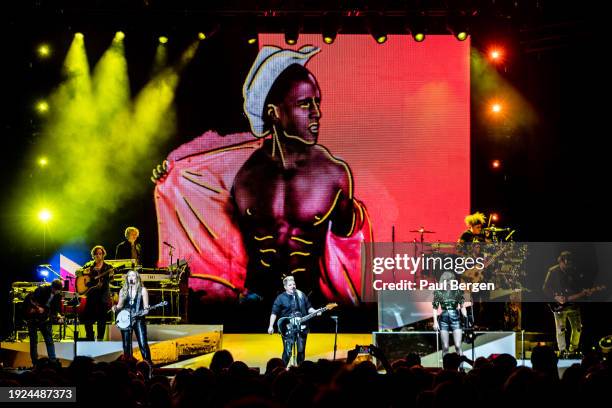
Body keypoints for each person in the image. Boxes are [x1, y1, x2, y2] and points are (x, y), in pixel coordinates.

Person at [152, 45, 371, 305]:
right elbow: (202, 164)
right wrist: (172, 174)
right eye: (304, 104)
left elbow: (349, 244)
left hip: (311, 300)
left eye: (317, 103)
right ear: (273, 113)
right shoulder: (242, 173)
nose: (317, 113)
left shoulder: (333, 174)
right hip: (252, 300)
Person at [267, 276, 319, 366]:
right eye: (290, 285)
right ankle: (281, 370)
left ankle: (300, 370)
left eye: (294, 284)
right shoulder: (280, 298)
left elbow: (309, 308)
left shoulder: (301, 294)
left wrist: (315, 312)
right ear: (285, 287)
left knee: (301, 351)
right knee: (288, 353)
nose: (293, 286)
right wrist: (271, 326)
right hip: (288, 329)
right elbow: (274, 312)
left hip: (302, 327)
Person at [542, 251, 584, 357]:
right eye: (565, 262)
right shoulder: (552, 271)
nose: (567, 265)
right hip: (559, 306)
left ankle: (573, 350)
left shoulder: (574, 271)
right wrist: (555, 297)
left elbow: (579, 286)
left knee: (577, 328)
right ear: (560, 261)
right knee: (561, 329)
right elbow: (545, 288)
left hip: (573, 305)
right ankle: (562, 350)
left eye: (569, 262)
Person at [112, 270, 152, 363]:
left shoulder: (143, 290)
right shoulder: (123, 290)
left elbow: (146, 308)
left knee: (142, 343)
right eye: (129, 275)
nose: (131, 277)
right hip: (126, 321)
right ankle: (128, 368)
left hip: (139, 320)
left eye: (133, 275)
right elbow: (120, 305)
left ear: (137, 277)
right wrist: (115, 307)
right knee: (126, 345)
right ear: (127, 278)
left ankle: (148, 365)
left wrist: (145, 311)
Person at [78, 245, 113, 341]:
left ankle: (100, 339)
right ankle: (90, 337)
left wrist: (110, 275)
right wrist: (84, 272)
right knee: (87, 319)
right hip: (91, 296)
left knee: (102, 320)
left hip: (103, 297)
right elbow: (78, 274)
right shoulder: (89, 266)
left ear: (103, 255)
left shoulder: (108, 267)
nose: (98, 255)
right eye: (96, 254)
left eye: (100, 254)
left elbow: (111, 279)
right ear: (93, 255)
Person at [25, 279, 63, 365]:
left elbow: (55, 308)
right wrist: (37, 308)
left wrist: (58, 316)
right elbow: (30, 299)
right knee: (34, 341)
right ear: (52, 288)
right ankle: (35, 363)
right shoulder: (42, 290)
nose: (57, 292)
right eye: (56, 290)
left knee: (49, 340)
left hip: (45, 318)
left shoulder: (57, 295)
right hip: (33, 318)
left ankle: (52, 361)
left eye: (58, 290)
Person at [432, 272, 468, 356]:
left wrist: (466, 319)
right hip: (443, 320)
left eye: (450, 280)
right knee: (445, 347)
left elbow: (462, 306)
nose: (448, 282)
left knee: (458, 346)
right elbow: (435, 308)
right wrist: (435, 322)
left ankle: (461, 367)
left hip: (456, 319)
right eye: (446, 280)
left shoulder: (457, 291)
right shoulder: (439, 292)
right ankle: (445, 368)